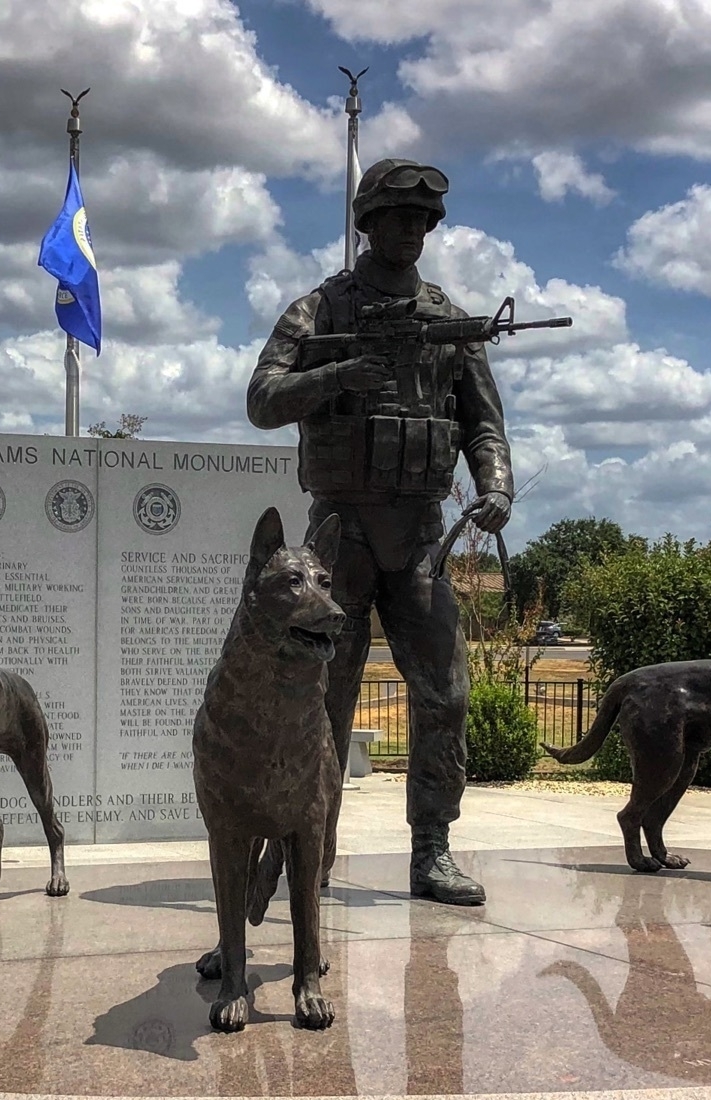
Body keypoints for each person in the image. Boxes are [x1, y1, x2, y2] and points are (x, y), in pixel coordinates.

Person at [247, 159, 514, 905]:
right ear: (368, 223)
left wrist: (495, 486)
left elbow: (484, 425)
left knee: (448, 694)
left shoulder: (447, 317)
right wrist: (337, 378)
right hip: (340, 536)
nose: (412, 231)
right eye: (399, 218)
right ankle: (312, 855)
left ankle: (431, 849)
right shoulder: (320, 309)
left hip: (421, 535)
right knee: (325, 699)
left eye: (423, 221)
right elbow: (262, 398)